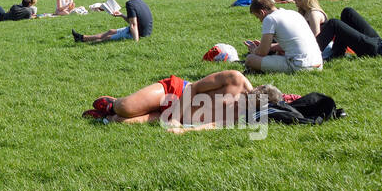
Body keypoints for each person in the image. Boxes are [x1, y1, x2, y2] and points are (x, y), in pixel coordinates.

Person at [82, 69, 258, 131]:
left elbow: (213, 125)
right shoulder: (235, 78)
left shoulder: (244, 115)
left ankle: (106, 116)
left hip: (176, 118)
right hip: (175, 92)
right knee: (125, 108)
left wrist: (184, 130)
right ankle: (113, 104)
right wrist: (174, 118)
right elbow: (193, 87)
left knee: (121, 122)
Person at [243, 0, 322, 72]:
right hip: (318, 64)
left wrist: (254, 50)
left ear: (262, 12)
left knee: (250, 59)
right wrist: (266, 45)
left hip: (300, 66)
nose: (260, 20)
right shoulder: (294, 13)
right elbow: (292, 41)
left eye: (258, 17)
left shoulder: (270, 19)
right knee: (278, 54)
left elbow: (262, 52)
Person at [73, 0, 151, 43]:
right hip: (144, 32)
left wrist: (136, 41)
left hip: (139, 34)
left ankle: (85, 42)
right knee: (111, 31)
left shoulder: (130, 4)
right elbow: (135, 21)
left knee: (107, 38)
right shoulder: (139, 1)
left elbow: (133, 25)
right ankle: (82, 38)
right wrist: (121, 15)